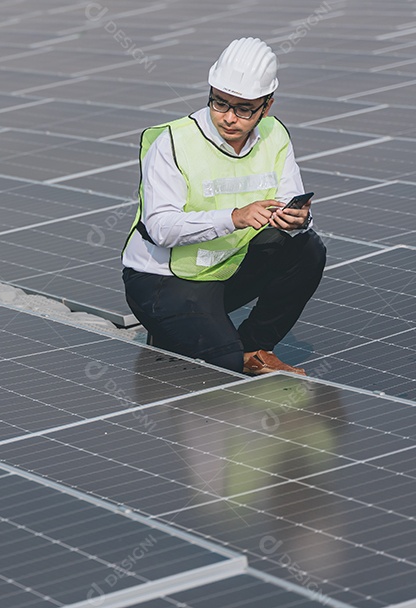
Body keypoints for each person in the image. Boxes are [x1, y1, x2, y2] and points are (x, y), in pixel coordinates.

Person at [122, 37, 326, 375]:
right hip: (163, 281)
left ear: (267, 105)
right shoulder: (173, 142)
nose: (229, 117)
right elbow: (160, 228)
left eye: (243, 108)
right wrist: (234, 218)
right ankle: (174, 331)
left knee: (307, 248)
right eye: (219, 103)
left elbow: (292, 203)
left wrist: (298, 219)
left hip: (225, 268)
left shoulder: (274, 136)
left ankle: (255, 346)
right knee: (222, 366)